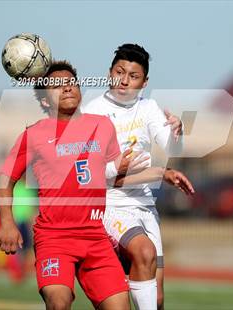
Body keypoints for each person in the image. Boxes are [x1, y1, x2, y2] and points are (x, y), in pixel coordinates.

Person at [0, 61, 131, 310]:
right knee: (59, 302)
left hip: (96, 237)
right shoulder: (33, 134)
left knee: (120, 307)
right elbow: (4, 182)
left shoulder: (102, 126)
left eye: (71, 82)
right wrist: (7, 222)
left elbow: (115, 177)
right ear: (46, 101)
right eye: (57, 86)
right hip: (54, 238)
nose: (67, 88)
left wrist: (157, 174)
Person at [81, 43, 186, 310]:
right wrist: (121, 168)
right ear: (109, 72)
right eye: (120, 72)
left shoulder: (148, 107)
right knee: (144, 252)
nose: (124, 80)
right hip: (111, 205)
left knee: (158, 298)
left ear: (144, 82)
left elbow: (171, 147)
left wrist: (178, 129)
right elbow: (91, 172)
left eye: (134, 75)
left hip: (145, 206)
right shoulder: (93, 112)